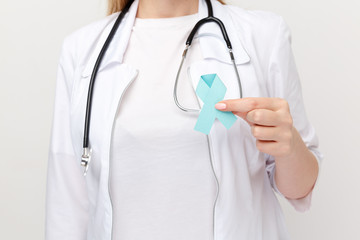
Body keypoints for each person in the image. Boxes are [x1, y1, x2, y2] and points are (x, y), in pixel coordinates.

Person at [45, 0, 323, 239]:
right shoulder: (82, 51)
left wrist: (290, 147)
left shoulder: (263, 36)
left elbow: (299, 189)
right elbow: (66, 205)